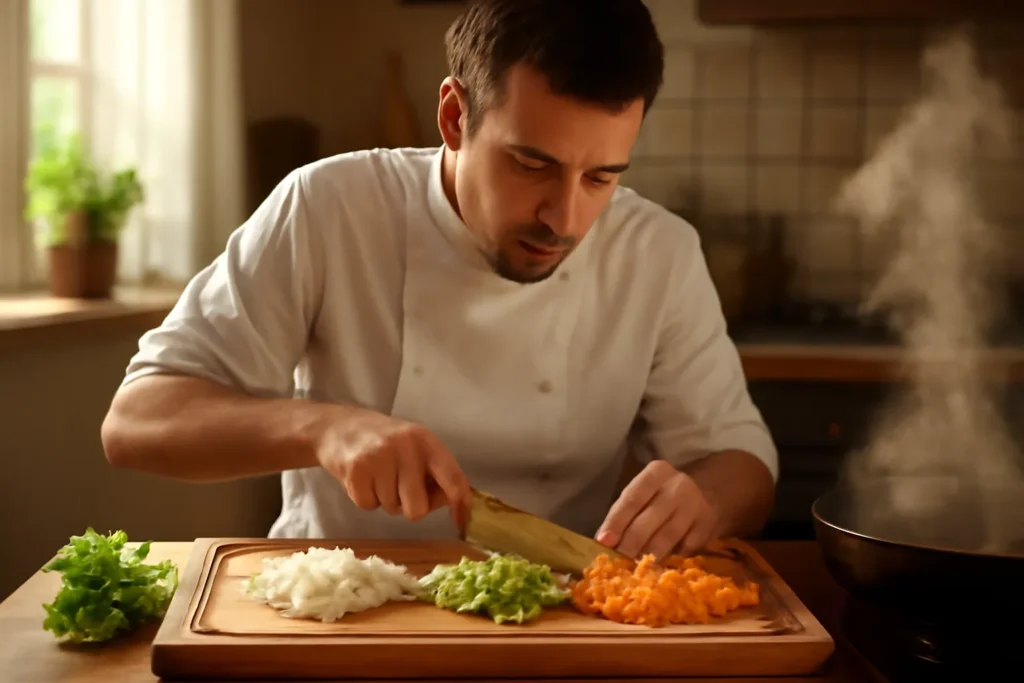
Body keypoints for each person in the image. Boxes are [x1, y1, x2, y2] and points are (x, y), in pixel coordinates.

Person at [100, 0, 777, 561]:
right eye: (531, 165)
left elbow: (743, 462)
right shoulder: (329, 207)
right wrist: (323, 428)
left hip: (561, 617)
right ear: (454, 117)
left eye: (601, 177)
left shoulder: (658, 251)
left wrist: (707, 499)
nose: (565, 219)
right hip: (342, 608)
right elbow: (137, 422)